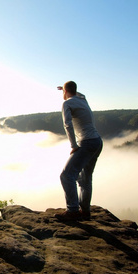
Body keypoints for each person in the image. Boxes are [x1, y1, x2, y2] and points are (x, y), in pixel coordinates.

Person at [54, 81, 103, 221]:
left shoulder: (67, 104)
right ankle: (85, 212)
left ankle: (73, 210)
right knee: (85, 179)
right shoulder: (82, 99)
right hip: (97, 141)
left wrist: (73, 145)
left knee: (66, 175)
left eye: (63, 91)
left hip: (86, 142)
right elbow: (80, 93)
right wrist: (65, 89)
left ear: (65, 91)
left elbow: (67, 124)